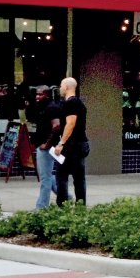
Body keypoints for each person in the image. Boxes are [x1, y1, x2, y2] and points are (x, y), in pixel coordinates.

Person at [52, 77, 89, 205]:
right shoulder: (78, 103)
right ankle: (80, 206)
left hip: (71, 147)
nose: (60, 88)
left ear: (67, 87)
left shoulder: (71, 103)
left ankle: (63, 206)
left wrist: (61, 143)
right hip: (79, 145)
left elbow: (70, 124)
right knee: (79, 179)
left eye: (62, 86)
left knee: (61, 177)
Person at [28, 86, 61, 210]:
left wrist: (47, 143)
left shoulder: (51, 108)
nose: (37, 96)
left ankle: (41, 208)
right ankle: (65, 196)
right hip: (41, 145)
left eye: (40, 94)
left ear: (46, 95)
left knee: (45, 178)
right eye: (36, 94)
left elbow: (56, 126)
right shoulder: (41, 107)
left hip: (46, 148)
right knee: (46, 175)